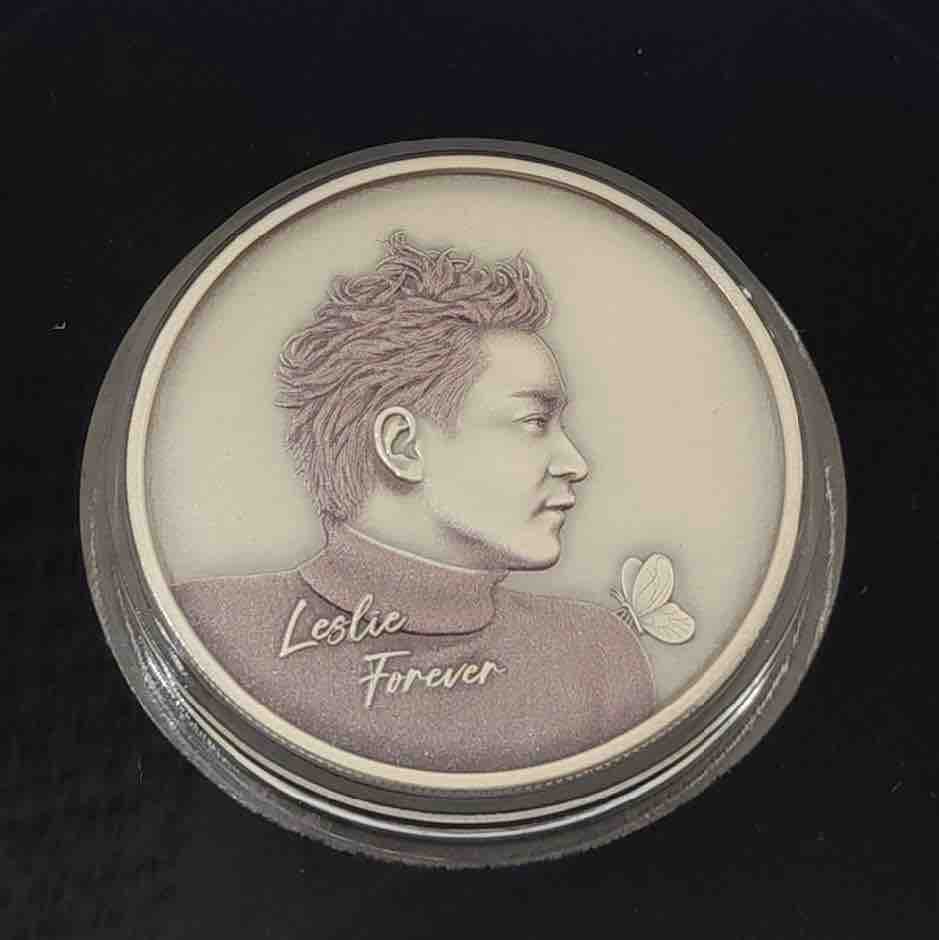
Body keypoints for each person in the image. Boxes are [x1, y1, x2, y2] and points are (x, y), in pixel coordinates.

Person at [175, 232, 655, 773]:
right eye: (534, 422)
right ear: (403, 446)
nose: (575, 463)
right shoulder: (207, 627)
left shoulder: (595, 656)